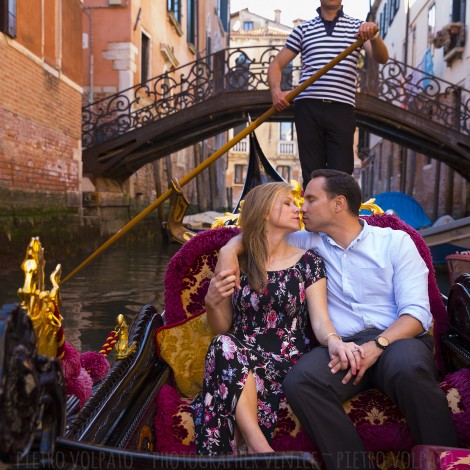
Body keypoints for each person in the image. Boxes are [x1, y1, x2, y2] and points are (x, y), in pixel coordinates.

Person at [217, 170, 458, 469]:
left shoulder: (396, 242)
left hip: (396, 338)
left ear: (338, 204)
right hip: (342, 345)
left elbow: (417, 314)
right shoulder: (307, 241)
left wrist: (378, 344)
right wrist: (229, 249)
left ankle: (448, 464)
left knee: (407, 367)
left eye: (310, 199)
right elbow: (258, 230)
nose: (302, 207)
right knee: (301, 382)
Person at [192, 182, 364, 456]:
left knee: (224, 368)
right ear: (262, 212)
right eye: (287, 202)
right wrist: (212, 303)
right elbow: (221, 325)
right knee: (223, 343)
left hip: (287, 363)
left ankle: (243, 450)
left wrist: (334, 341)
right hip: (238, 359)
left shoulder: (309, 262)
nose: (297, 208)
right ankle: (260, 447)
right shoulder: (238, 262)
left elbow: (321, 322)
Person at [268, 0, 389, 188]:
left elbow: (382, 58)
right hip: (308, 106)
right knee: (312, 175)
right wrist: (276, 92)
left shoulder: (358, 28)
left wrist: (374, 36)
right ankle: (314, 216)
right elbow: (276, 64)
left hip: (341, 108)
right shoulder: (304, 29)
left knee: (341, 175)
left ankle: (336, 216)